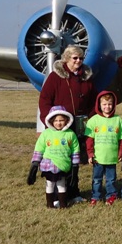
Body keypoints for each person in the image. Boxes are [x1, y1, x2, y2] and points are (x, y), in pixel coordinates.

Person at [38, 45, 98, 203]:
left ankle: (74, 192)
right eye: (75, 58)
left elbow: (94, 100)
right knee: (59, 159)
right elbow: (44, 100)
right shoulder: (55, 77)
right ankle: (56, 195)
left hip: (80, 125)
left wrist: (90, 118)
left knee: (74, 160)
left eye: (81, 58)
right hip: (60, 127)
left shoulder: (86, 78)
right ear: (66, 59)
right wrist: (50, 122)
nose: (78, 61)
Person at [27, 106, 81, 209]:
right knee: (50, 184)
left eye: (61, 120)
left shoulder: (70, 134)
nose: (58, 123)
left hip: (63, 165)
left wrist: (75, 165)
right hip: (49, 165)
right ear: (51, 121)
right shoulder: (46, 134)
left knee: (61, 184)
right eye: (56, 120)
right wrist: (35, 163)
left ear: (66, 120)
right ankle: (50, 204)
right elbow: (39, 148)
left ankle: (63, 204)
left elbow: (75, 149)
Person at [84, 91, 122, 206]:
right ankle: (95, 196)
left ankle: (111, 195)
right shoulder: (93, 120)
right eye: (104, 104)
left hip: (111, 157)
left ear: (114, 104)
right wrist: (90, 154)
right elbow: (89, 139)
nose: (107, 107)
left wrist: (121, 153)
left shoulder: (118, 120)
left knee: (111, 179)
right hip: (98, 157)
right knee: (97, 179)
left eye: (110, 104)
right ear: (99, 105)